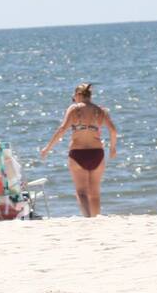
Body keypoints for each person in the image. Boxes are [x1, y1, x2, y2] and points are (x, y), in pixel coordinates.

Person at [40, 82, 118, 217]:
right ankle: (96, 218)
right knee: (95, 192)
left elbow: (62, 129)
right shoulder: (101, 111)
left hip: (78, 154)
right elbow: (113, 130)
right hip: (97, 154)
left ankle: (87, 219)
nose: (73, 99)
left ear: (78, 95)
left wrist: (48, 148)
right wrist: (112, 148)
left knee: (81, 192)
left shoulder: (74, 109)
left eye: (74, 96)